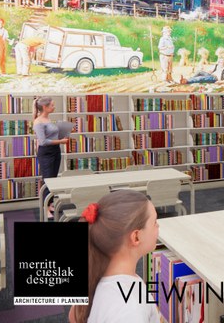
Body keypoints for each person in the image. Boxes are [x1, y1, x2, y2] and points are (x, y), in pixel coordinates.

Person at [70, 190, 161, 323]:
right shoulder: (129, 311)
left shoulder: (96, 274)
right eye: (154, 222)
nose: (158, 226)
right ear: (136, 237)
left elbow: (73, 316)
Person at [33, 97, 69, 219]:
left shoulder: (47, 118)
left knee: (53, 179)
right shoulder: (38, 122)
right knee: (47, 180)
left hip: (55, 151)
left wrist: (63, 132)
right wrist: (61, 141)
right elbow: (42, 142)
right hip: (46, 153)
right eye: (52, 105)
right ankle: (45, 208)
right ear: (45, 107)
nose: (54, 107)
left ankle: (50, 204)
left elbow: (50, 135)